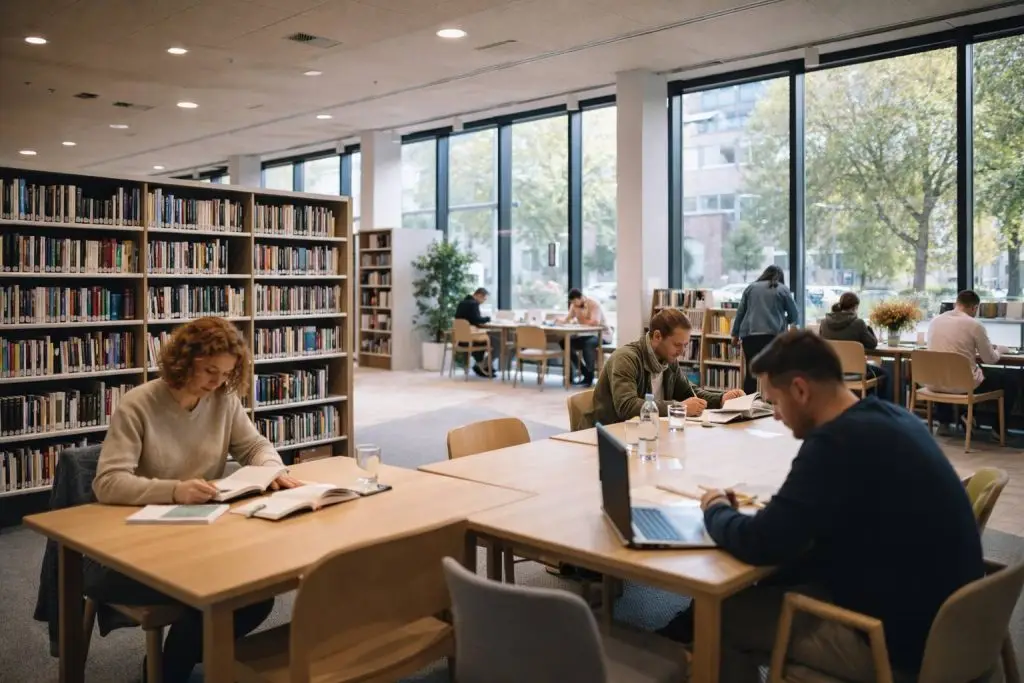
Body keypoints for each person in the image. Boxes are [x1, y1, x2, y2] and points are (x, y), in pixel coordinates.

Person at [677, 330, 982, 682]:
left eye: (775, 402)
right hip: (955, 634)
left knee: (719, 615)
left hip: (894, 649)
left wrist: (715, 508)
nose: (775, 415)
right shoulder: (892, 417)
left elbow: (762, 543)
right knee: (778, 580)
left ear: (801, 391)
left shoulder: (835, 443)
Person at [88, 316, 300, 683]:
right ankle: (169, 672)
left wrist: (271, 468)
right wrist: (173, 489)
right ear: (183, 361)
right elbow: (107, 482)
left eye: (226, 373)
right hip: (142, 543)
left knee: (256, 595)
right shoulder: (137, 404)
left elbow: (254, 445)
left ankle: (173, 663)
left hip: (202, 532)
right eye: (209, 371)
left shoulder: (222, 399)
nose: (217, 382)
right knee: (221, 593)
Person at [592, 307, 743, 425]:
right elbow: (627, 407)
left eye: (685, 345)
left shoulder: (669, 361)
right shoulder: (626, 359)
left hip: (650, 432)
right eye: (677, 344)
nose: (682, 352)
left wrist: (722, 399)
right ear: (657, 336)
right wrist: (678, 408)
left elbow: (690, 393)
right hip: (614, 436)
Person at [927, 289, 1018, 438]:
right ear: (974, 308)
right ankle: (998, 429)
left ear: (957, 303)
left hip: (935, 382)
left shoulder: (934, 321)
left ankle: (946, 422)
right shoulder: (974, 325)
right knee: (1009, 380)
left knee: (956, 371)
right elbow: (990, 359)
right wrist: (1000, 350)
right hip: (963, 384)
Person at [730, 265, 799, 395]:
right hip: (773, 338)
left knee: (751, 374)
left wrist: (735, 334)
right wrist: (787, 321)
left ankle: (747, 405)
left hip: (750, 337)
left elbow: (740, 313)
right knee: (775, 372)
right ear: (780, 277)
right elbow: (794, 314)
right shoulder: (782, 289)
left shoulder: (751, 288)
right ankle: (774, 405)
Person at [819, 291, 892, 400]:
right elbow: (872, 344)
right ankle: (878, 410)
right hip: (855, 373)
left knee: (870, 371)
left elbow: (821, 345)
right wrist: (868, 328)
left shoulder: (824, 323)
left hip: (832, 371)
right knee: (884, 374)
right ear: (855, 307)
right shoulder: (858, 323)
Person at [559, 288, 613, 386]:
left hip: (602, 335)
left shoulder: (593, 304)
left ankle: (590, 377)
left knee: (588, 344)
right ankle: (585, 372)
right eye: (572, 302)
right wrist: (559, 321)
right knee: (564, 342)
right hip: (585, 334)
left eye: (575, 301)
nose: (574, 304)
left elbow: (595, 322)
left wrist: (581, 318)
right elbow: (568, 318)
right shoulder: (574, 305)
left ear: (581, 297)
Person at [454, 287, 496, 378]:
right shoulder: (473, 304)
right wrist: (487, 318)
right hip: (471, 339)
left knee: (487, 338)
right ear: (479, 295)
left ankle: (481, 365)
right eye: (484, 299)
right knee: (492, 340)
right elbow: (476, 320)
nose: (483, 301)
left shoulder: (462, 303)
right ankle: (481, 365)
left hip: (461, 339)